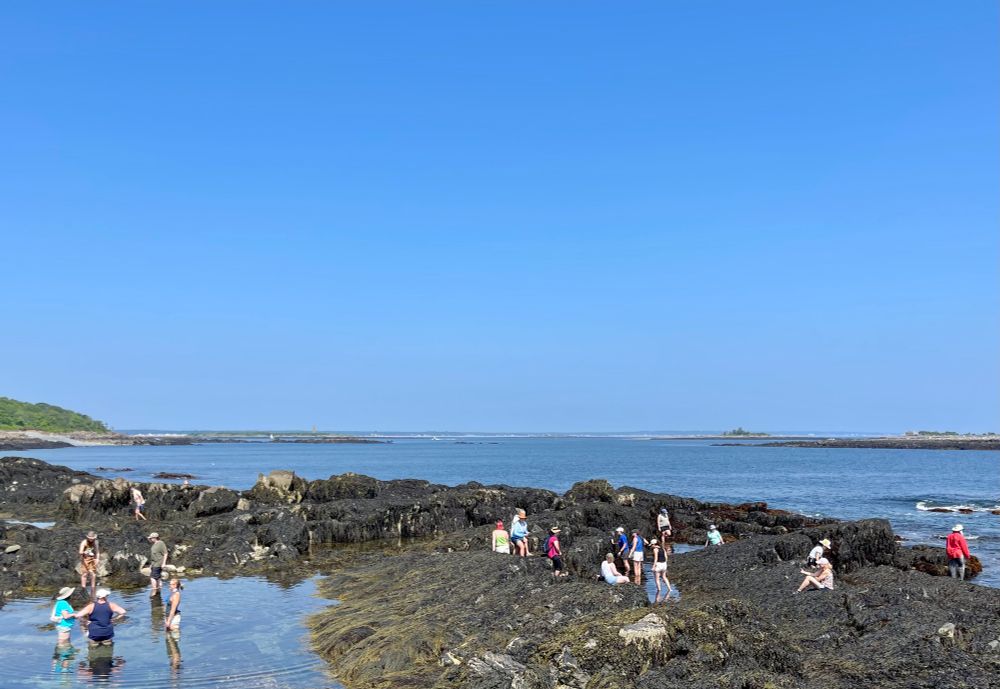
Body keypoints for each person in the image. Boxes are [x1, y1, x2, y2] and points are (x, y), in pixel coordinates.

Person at [78, 531, 100, 597]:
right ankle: (83, 588)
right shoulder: (84, 542)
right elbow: (80, 552)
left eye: (92, 538)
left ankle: (93, 588)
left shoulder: (95, 542)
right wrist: (85, 552)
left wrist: (97, 559)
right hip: (84, 559)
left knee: (93, 574)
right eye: (90, 538)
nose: (91, 539)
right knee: (85, 574)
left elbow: (97, 552)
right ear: (87, 537)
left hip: (92, 559)